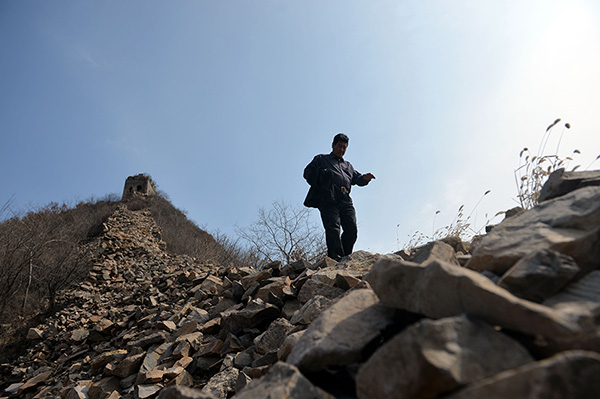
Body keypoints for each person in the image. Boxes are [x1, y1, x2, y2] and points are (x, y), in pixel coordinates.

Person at [303, 133, 375, 261]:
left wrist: (365, 178)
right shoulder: (321, 159)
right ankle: (335, 257)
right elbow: (307, 173)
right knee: (333, 227)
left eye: (345, 147)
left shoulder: (348, 166)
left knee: (351, 228)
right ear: (333, 145)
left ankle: (345, 256)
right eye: (340, 146)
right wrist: (321, 175)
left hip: (345, 198)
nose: (342, 150)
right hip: (328, 196)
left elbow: (356, 178)